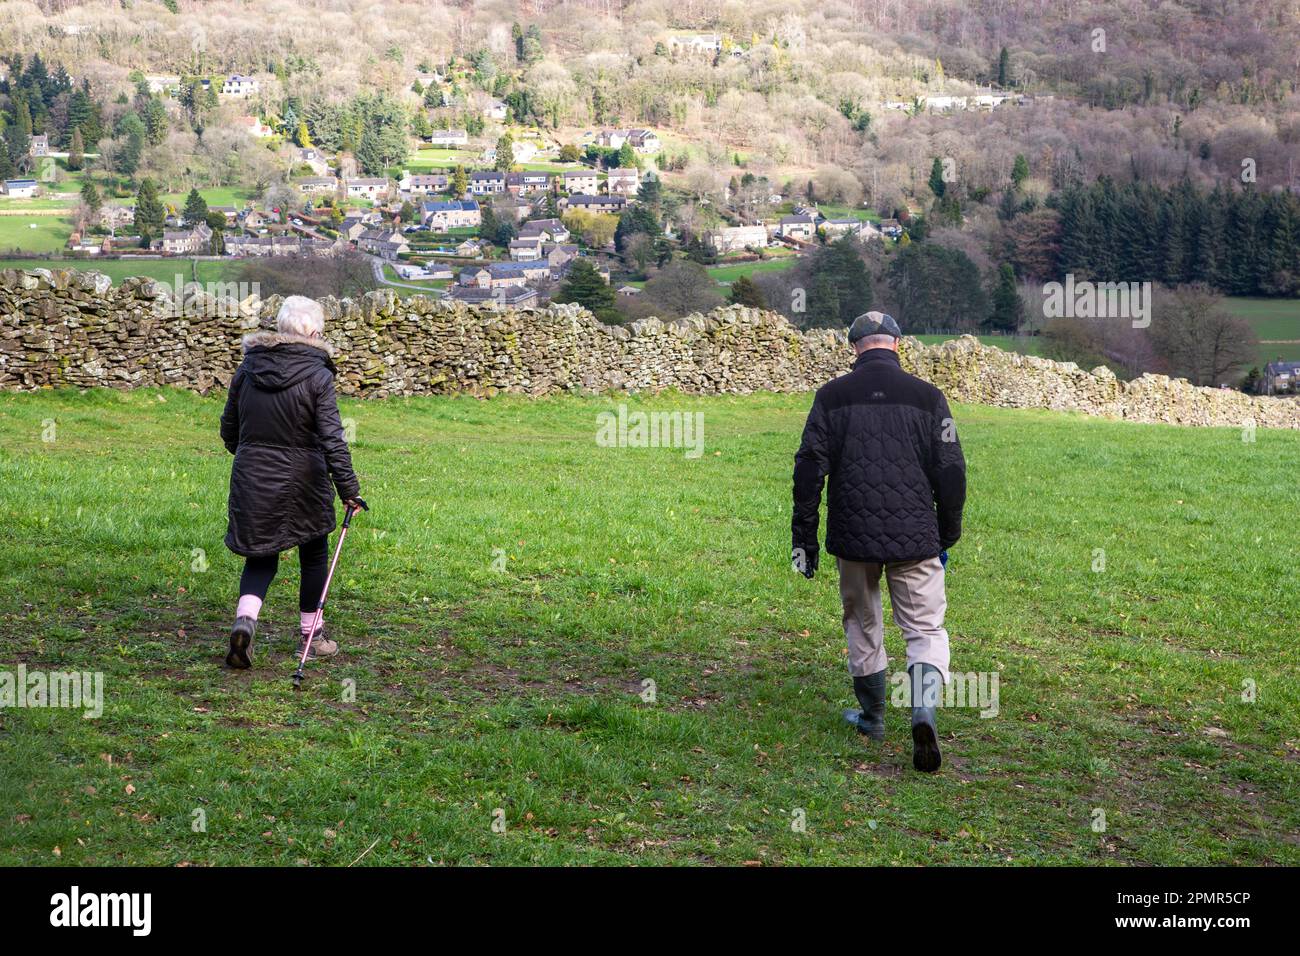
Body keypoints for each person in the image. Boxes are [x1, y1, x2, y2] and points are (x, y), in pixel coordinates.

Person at [792, 311, 966, 772]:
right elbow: (951, 470)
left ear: (854, 347)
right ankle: (922, 712)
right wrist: (946, 531)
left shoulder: (831, 397)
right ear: (896, 344)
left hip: (853, 538)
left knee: (863, 624)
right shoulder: (929, 399)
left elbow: (809, 469)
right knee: (925, 628)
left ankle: (872, 717)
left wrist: (803, 541)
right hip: (916, 539)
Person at [219, 296, 362, 669]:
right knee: (313, 554)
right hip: (304, 480)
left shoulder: (247, 368)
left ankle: (245, 622)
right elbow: (333, 437)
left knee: (260, 556)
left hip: (253, 476)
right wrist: (349, 489)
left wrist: (248, 454)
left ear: (281, 329)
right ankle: (311, 637)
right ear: (315, 333)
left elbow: (228, 427)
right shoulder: (318, 375)